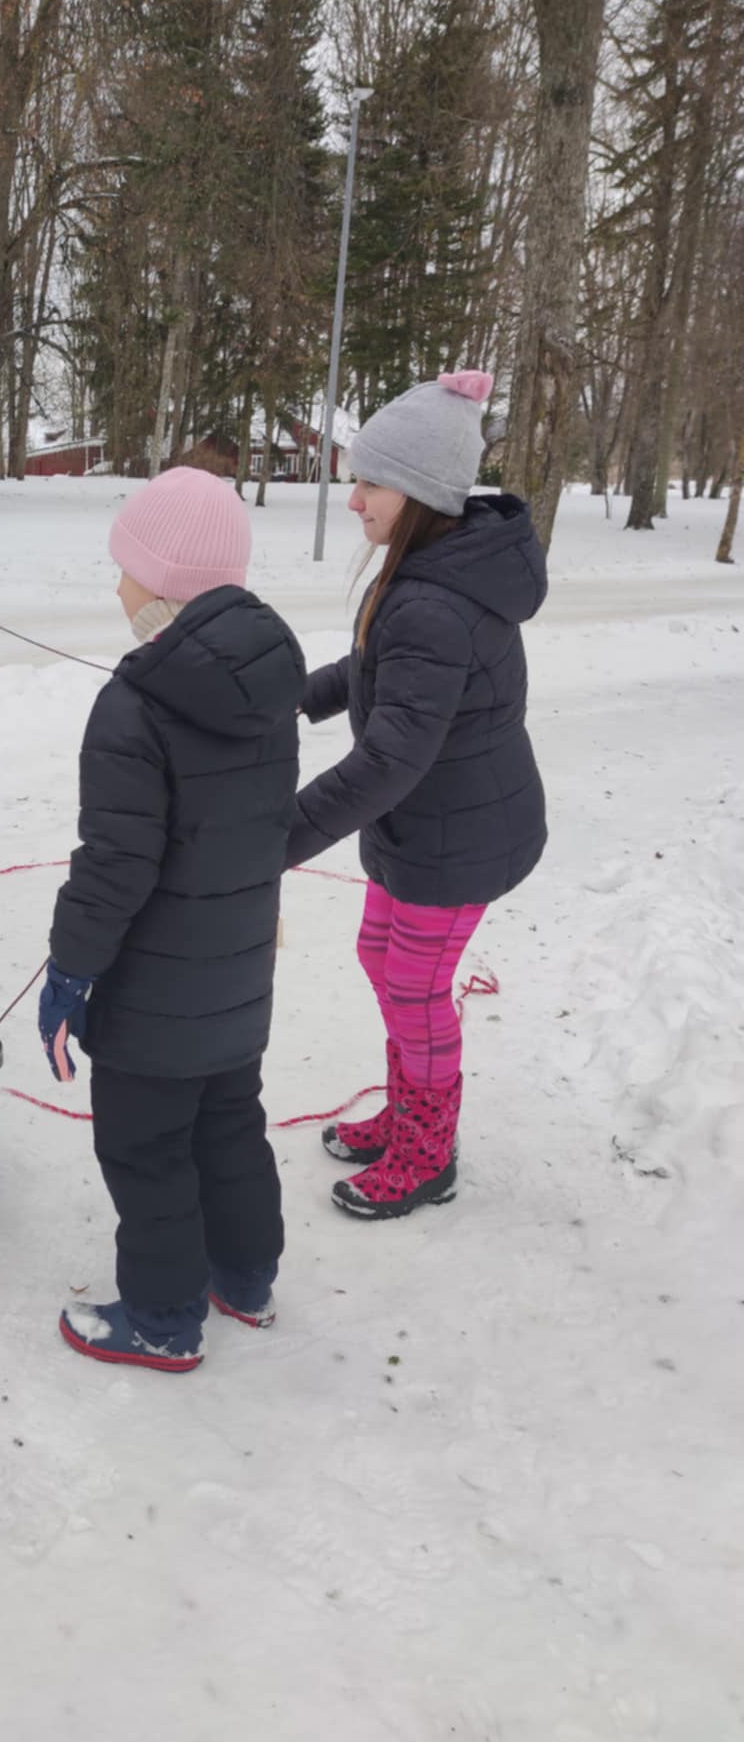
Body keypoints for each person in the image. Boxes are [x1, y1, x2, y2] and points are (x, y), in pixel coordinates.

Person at [39, 469, 306, 1373]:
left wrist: (70, 969)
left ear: (158, 587)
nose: (115, 585)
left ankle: (161, 1317)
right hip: (234, 979)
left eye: (123, 568)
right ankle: (246, 1275)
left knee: (147, 1149)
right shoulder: (267, 680)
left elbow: (114, 865)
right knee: (229, 1124)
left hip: (152, 995)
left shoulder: (135, 705)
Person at [288, 370, 547, 1221]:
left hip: (456, 835)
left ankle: (428, 1150)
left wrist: (280, 835)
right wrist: (293, 694)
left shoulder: (436, 598)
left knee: (413, 987)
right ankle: (408, 1111)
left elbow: (391, 759)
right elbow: (375, 670)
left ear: (423, 494)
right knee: (381, 958)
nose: (353, 497)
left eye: (370, 483)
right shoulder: (429, 567)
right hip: (425, 824)